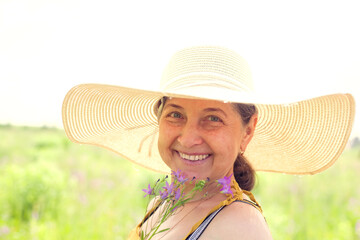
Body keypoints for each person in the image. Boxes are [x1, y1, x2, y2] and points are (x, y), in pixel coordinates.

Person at [62, 46, 355, 239]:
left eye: (213, 118)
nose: (188, 138)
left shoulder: (240, 226)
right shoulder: (162, 201)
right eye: (175, 114)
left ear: (247, 131)